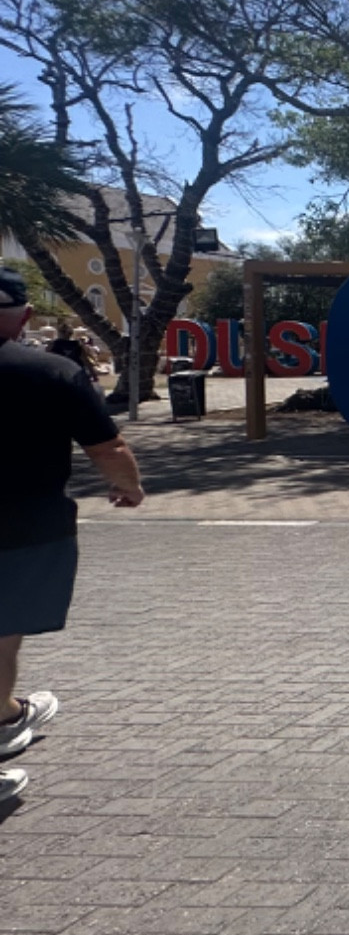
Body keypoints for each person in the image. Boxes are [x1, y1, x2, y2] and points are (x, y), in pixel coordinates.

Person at [0, 268, 146, 805]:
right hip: (23, 528)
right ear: (25, 317)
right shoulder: (52, 372)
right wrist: (127, 488)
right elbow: (108, 449)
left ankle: (7, 713)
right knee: (2, 626)